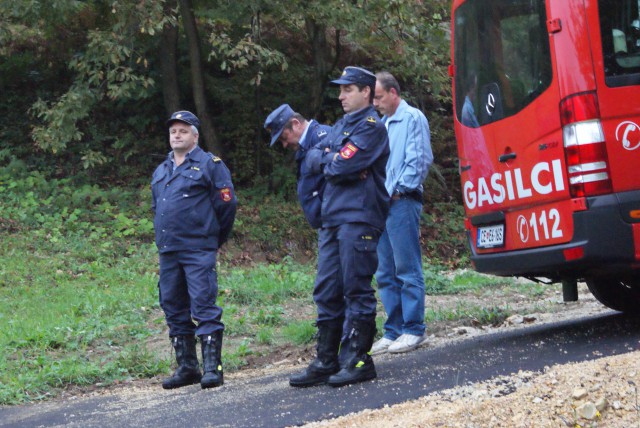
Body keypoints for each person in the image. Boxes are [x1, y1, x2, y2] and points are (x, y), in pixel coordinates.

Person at [290, 66, 390, 388]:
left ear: (365, 92)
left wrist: (334, 161)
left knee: (355, 286)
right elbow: (314, 160)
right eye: (340, 89)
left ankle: (359, 360)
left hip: (358, 216)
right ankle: (326, 360)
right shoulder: (338, 128)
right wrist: (332, 159)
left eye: (347, 89)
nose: (341, 95)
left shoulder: (372, 127)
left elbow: (341, 164)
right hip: (332, 218)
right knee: (326, 289)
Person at [151, 110, 237, 390]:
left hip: (198, 248)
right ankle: (188, 366)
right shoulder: (162, 170)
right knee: (173, 307)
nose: (177, 135)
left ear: (195, 136)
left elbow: (226, 206)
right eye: (173, 131)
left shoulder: (210, 165)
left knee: (203, 305)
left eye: (183, 131)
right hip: (169, 251)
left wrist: (212, 239)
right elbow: (158, 207)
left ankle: (213, 368)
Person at [370, 72, 433, 355]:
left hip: (402, 202)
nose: (376, 103)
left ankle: (414, 329)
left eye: (379, 97)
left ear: (393, 93)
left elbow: (419, 159)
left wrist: (398, 190)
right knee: (385, 271)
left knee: (407, 268)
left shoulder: (412, 118)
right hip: (383, 205)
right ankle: (393, 331)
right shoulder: (382, 124)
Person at [263, 104, 330, 229]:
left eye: (284, 137)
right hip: (326, 224)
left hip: (336, 222)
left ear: (296, 123)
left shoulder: (322, 137)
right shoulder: (303, 147)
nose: (284, 145)